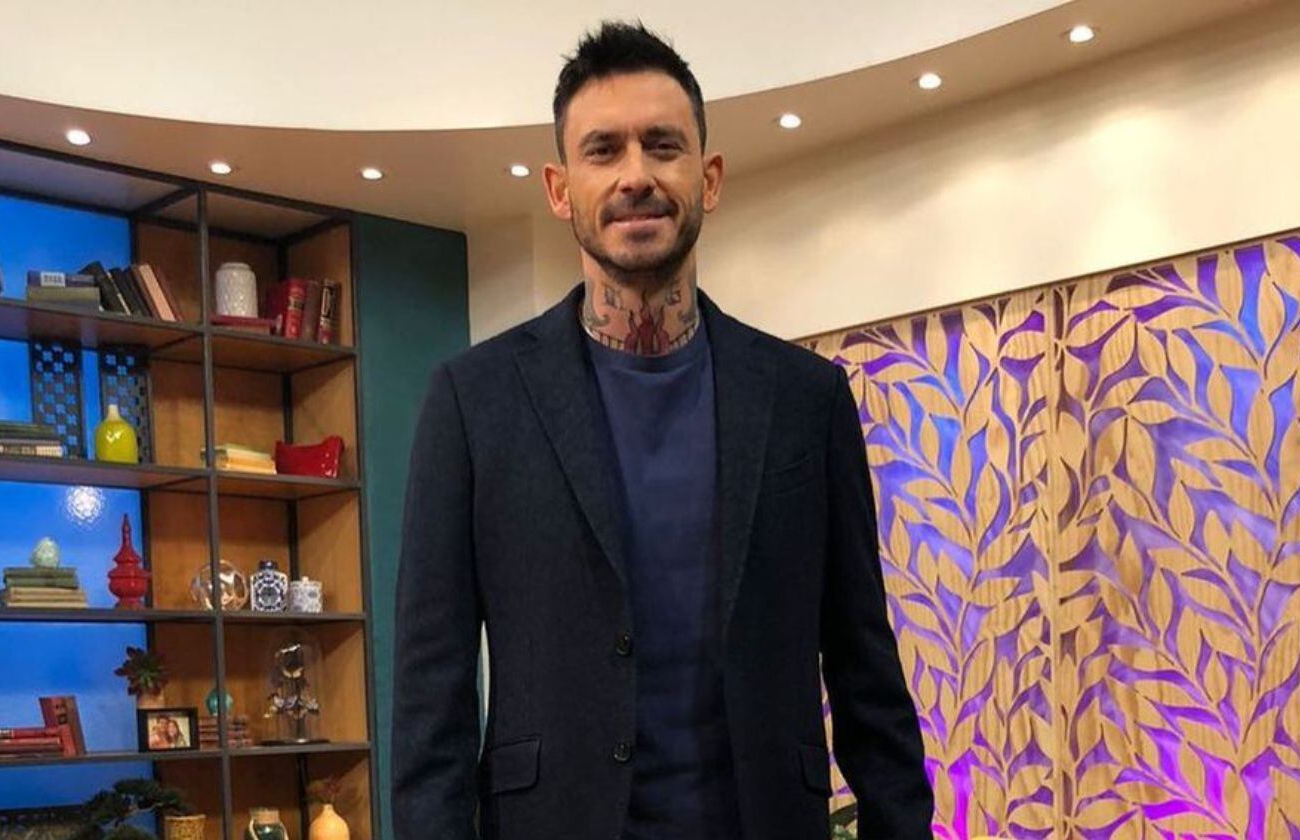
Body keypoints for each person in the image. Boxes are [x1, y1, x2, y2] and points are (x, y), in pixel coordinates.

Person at [392, 20, 933, 840]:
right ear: (559, 188)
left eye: (663, 145)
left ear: (708, 178)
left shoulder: (806, 400)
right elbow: (430, 701)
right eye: (603, 150)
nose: (636, 175)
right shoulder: (474, 402)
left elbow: (866, 670)